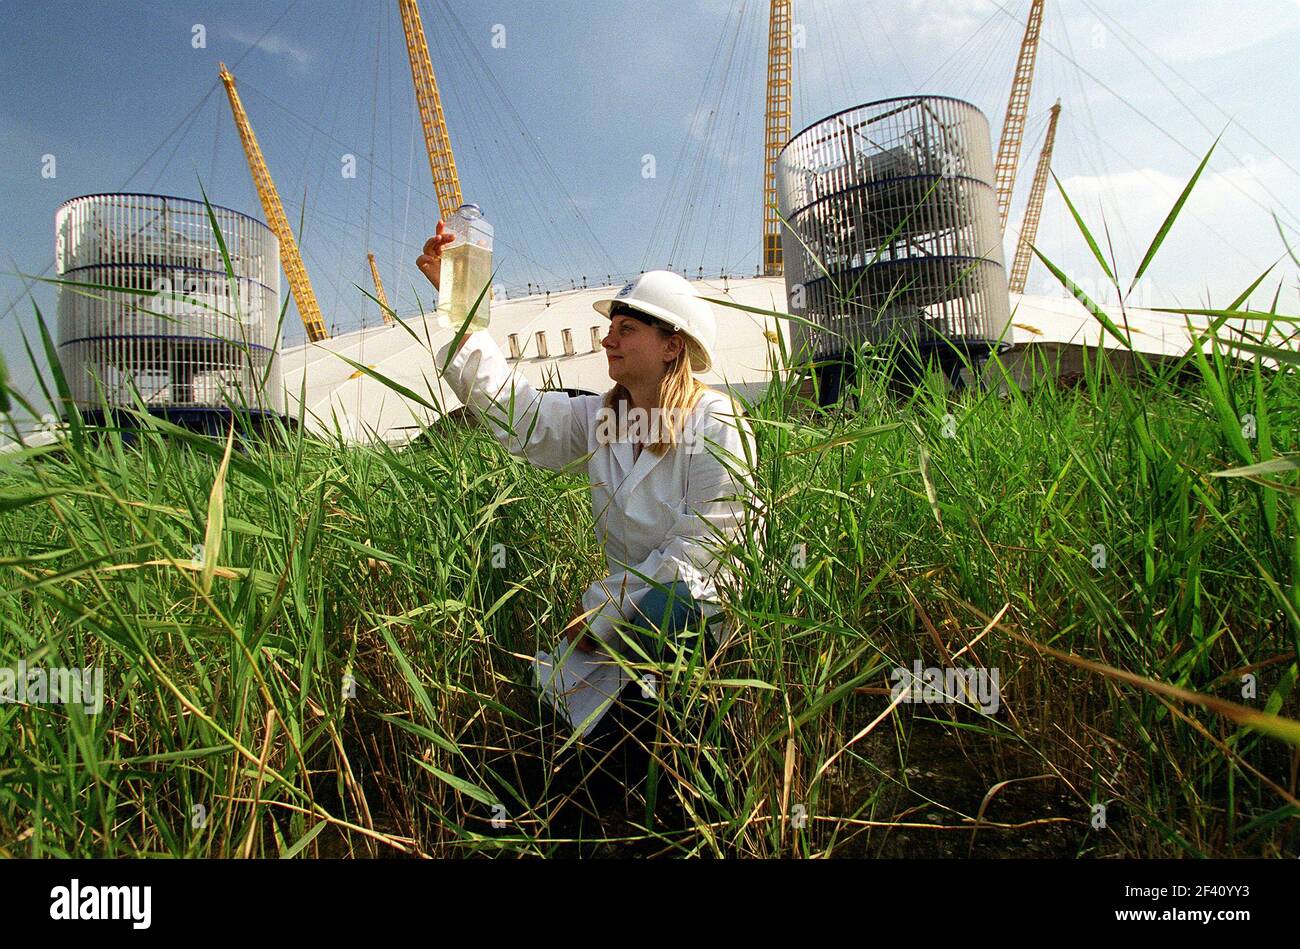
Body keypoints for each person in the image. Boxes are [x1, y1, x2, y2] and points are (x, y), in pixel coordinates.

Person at [417, 222, 758, 740]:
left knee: (665, 648)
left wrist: (602, 609)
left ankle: (694, 748)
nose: (608, 338)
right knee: (557, 701)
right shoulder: (606, 419)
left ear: (672, 346)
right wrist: (460, 312)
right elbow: (522, 417)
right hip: (624, 612)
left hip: (691, 613)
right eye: (611, 327)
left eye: (626, 329)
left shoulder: (716, 423)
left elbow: (706, 553)